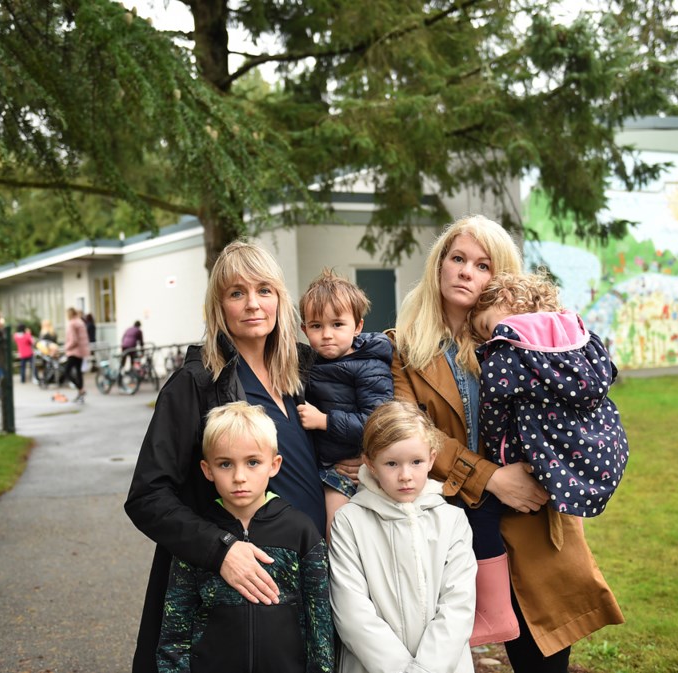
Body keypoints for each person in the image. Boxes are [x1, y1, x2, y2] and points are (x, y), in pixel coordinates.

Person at [389, 214, 623, 673]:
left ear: (502, 278)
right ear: (439, 264)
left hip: (535, 516)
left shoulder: (530, 341)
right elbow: (408, 432)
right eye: (457, 259)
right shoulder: (403, 349)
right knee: (439, 656)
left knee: (542, 657)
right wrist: (492, 477)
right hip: (452, 521)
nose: (466, 272)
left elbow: (576, 410)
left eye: (483, 265)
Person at [125, 239, 325, 673]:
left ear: (280, 298)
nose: (253, 304)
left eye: (264, 290)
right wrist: (221, 550)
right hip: (231, 590)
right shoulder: (196, 385)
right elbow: (147, 497)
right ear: (219, 306)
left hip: (303, 572)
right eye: (237, 293)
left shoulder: (303, 374)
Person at [156, 401, 334, 673]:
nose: (239, 477)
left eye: (253, 462)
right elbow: (175, 629)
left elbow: (319, 623)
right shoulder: (199, 536)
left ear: (274, 465)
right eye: (225, 464)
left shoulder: (301, 531)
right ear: (207, 470)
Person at [328, 400, 476, 673]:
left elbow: (458, 604)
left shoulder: (452, 521)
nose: (405, 476)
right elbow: (351, 610)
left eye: (416, 462)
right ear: (370, 464)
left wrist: (426, 669)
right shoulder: (350, 522)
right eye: (392, 463)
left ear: (432, 458)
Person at [470, 270, 629, 517]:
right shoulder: (578, 332)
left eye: (485, 326)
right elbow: (608, 370)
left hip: (539, 457)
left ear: (504, 297)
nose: (488, 338)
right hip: (604, 447)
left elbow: (493, 410)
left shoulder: (506, 355)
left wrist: (497, 452)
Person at [296, 269, 394, 539]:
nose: (327, 334)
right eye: (316, 326)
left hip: (360, 468)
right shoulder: (310, 363)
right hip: (327, 465)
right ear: (305, 329)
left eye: (337, 324)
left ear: (358, 326)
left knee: (341, 530)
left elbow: (378, 423)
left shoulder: (369, 365)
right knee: (335, 530)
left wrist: (324, 420)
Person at [63, 307, 90, 403]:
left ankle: (81, 389)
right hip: (82, 351)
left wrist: (66, 347)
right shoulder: (80, 322)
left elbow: (73, 340)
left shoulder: (72, 324)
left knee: (67, 372)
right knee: (79, 373)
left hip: (73, 352)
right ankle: (80, 394)